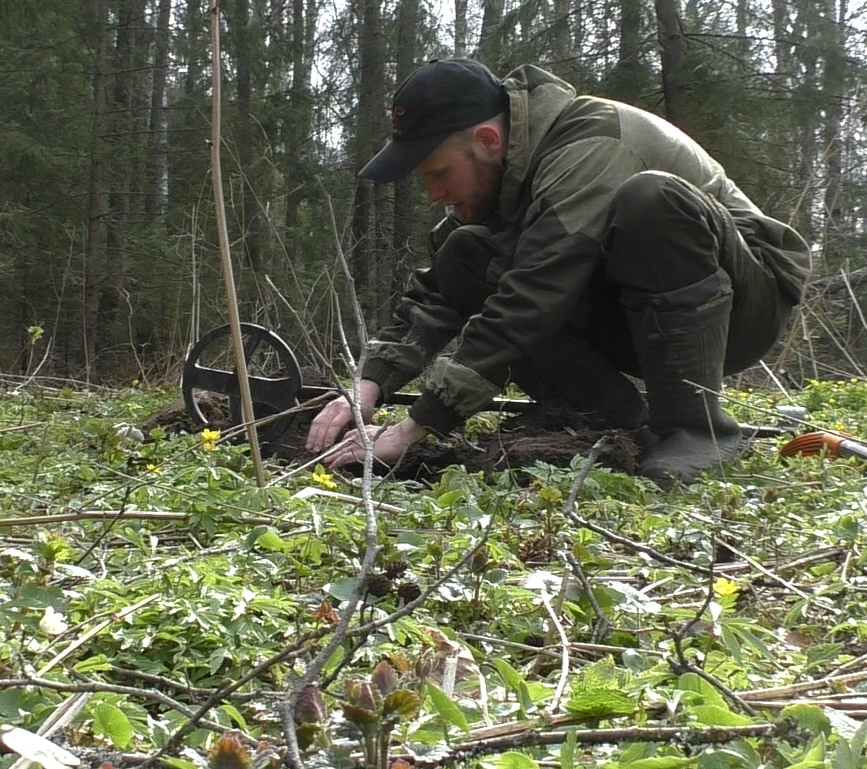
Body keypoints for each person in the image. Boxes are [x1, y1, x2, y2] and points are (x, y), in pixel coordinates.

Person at [309, 58, 810, 485]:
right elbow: (438, 294)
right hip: (633, 317)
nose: (434, 194)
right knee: (464, 252)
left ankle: (695, 430)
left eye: (438, 174)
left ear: (486, 140)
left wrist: (417, 427)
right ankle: (617, 423)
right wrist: (370, 383)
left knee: (651, 199)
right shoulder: (502, 182)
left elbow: (533, 294)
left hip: (744, 309)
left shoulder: (594, 142)